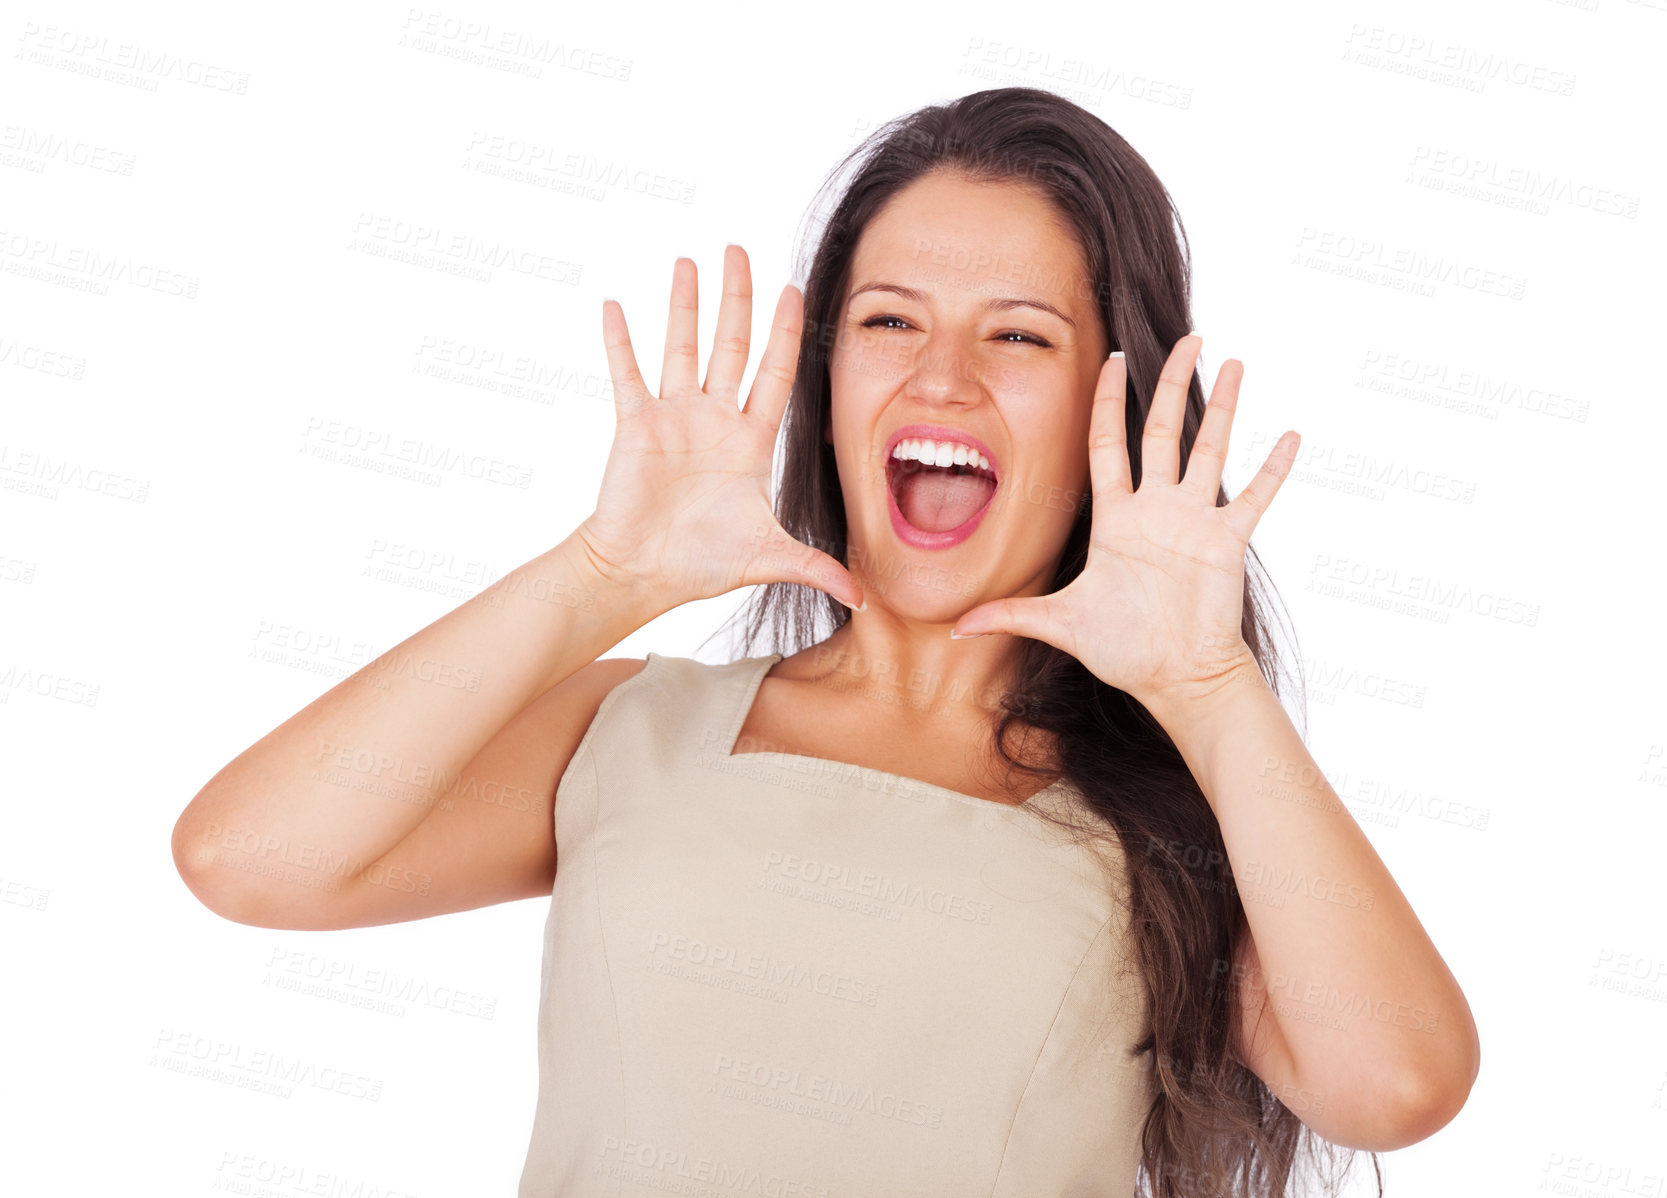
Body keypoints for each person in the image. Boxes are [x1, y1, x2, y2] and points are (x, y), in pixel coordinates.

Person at [172, 87, 1479, 1196]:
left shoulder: (1165, 823)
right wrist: (601, 575)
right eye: (889, 320)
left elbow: (1398, 1081)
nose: (943, 379)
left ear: (1113, 409)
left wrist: (1205, 689)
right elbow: (248, 856)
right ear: (829, 383)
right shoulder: (633, 724)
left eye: (1018, 335)